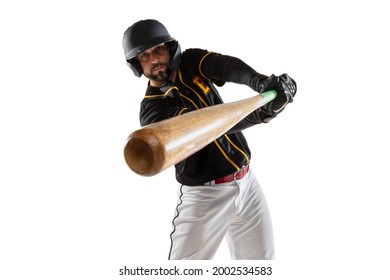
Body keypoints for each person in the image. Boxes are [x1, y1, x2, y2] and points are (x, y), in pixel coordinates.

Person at [122, 19, 296, 260]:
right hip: (204, 197)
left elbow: (225, 66)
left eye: (158, 50)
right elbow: (211, 127)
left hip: (248, 183)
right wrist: (265, 112)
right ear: (136, 64)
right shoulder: (152, 111)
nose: (154, 59)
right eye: (144, 56)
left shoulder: (190, 62)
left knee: (262, 266)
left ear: (170, 48)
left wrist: (261, 82)